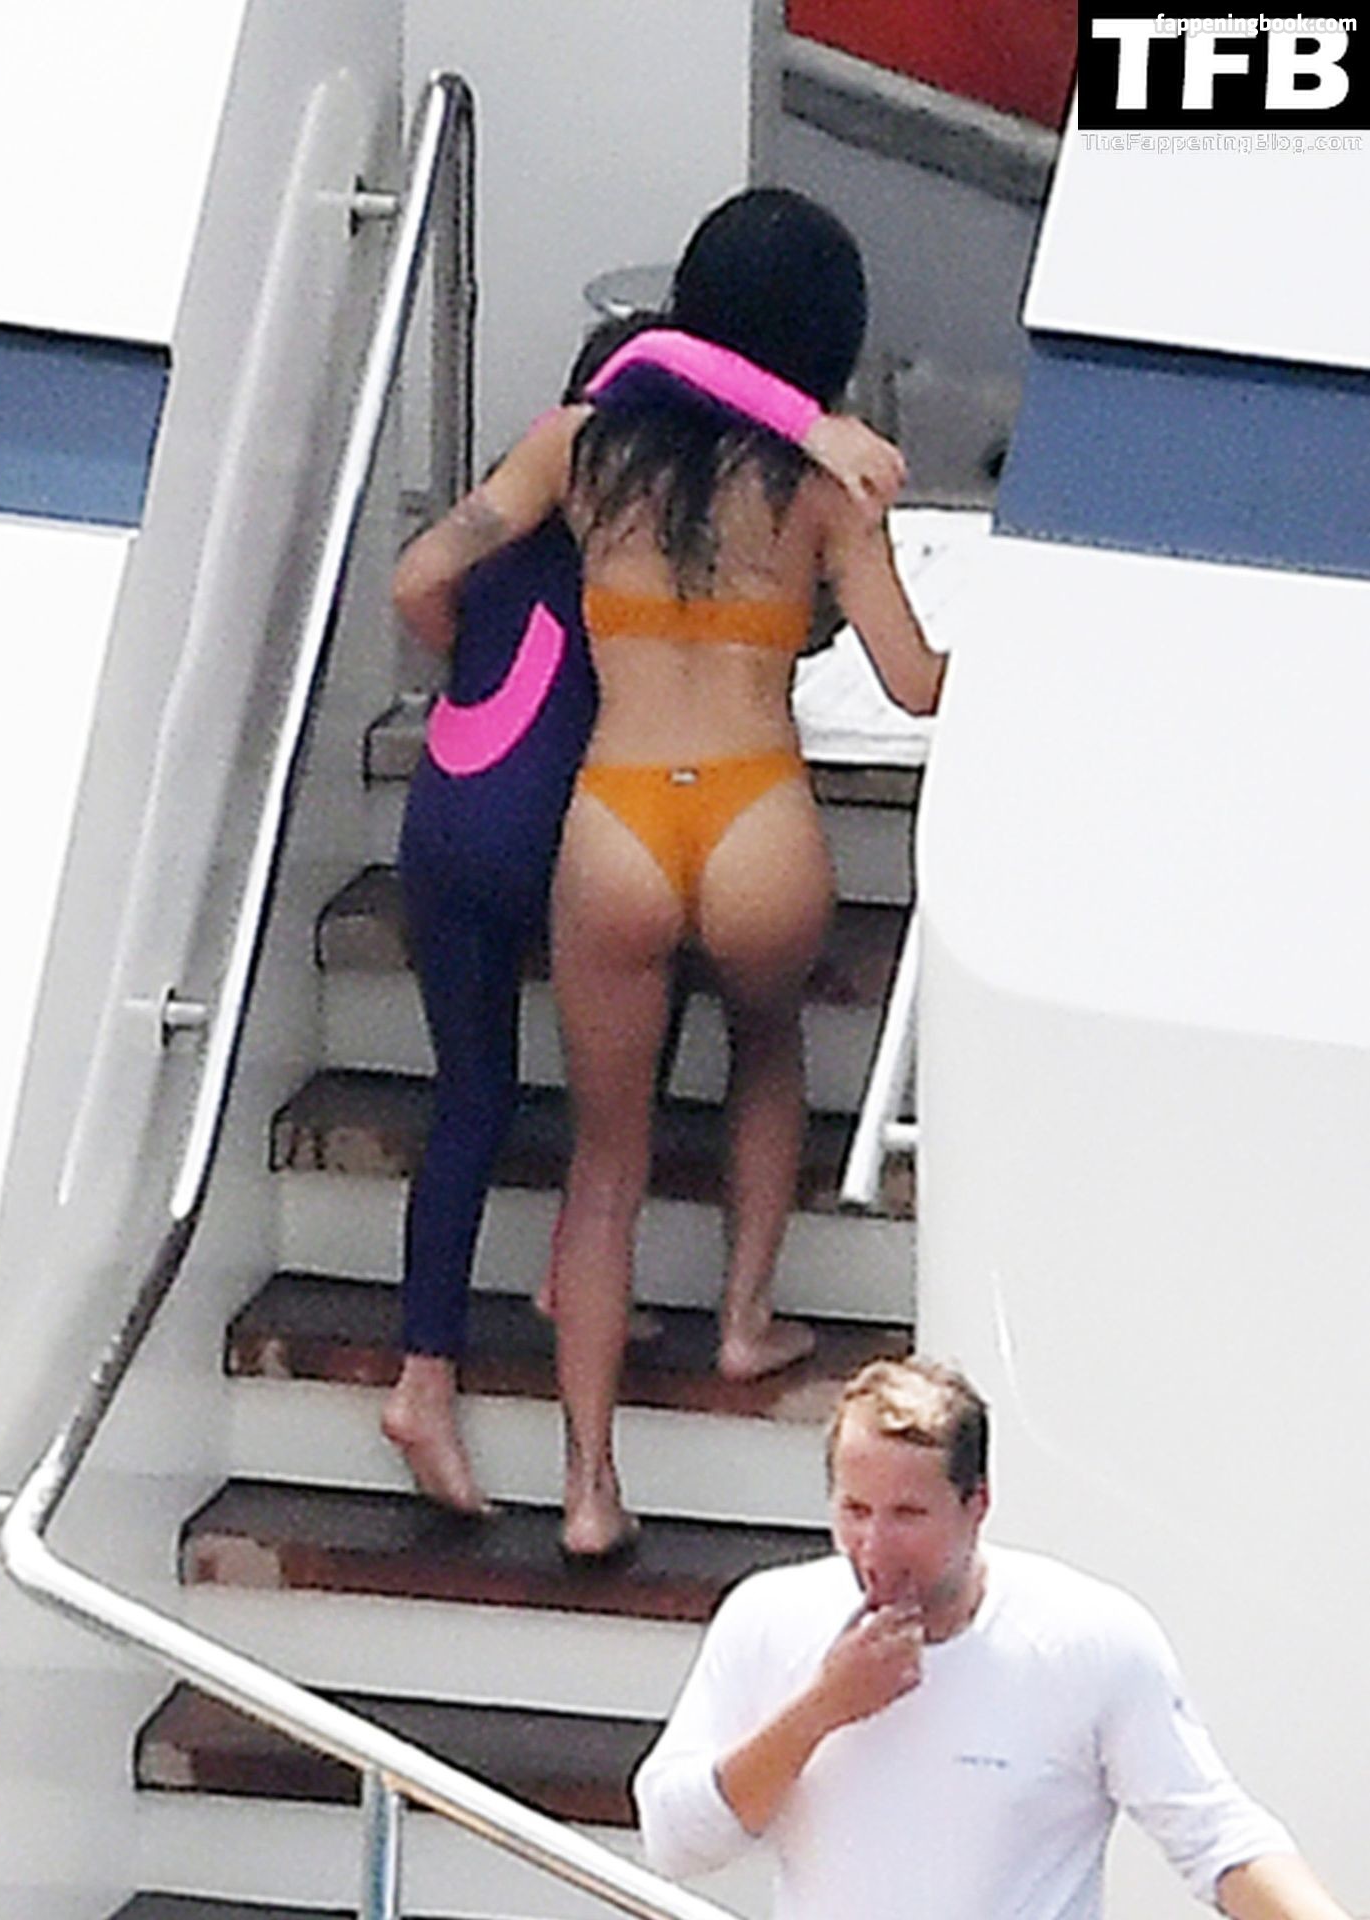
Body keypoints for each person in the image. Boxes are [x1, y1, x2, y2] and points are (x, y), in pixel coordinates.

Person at [385, 309, 910, 1514]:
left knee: (560, 1139)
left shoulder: (567, 480)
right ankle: (743, 1316)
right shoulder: (783, 498)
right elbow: (911, 680)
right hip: (717, 810)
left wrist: (461, 661)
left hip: (524, 817)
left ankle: (561, 1468)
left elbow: (419, 574)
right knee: (758, 1038)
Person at [635, 1354, 1350, 1920]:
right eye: (854, 1510)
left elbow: (1218, 1837)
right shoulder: (768, 1617)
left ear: (976, 1503)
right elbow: (673, 1840)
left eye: (907, 1515)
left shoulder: (1087, 1639)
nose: (873, 1547)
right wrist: (821, 1710)